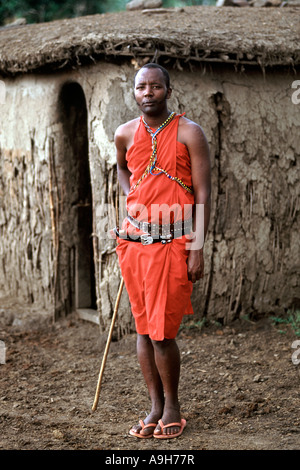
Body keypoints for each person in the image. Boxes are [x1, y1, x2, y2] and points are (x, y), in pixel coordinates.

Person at [114, 63, 211, 439]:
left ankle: (172, 406)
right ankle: (154, 407)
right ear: (134, 93)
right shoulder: (124, 134)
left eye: (155, 86)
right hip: (134, 245)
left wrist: (197, 247)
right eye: (141, 87)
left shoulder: (190, 132)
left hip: (174, 244)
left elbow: (202, 193)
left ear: (168, 91)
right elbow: (122, 170)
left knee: (162, 333)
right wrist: (131, 196)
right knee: (142, 329)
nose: (148, 93)